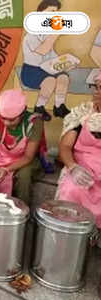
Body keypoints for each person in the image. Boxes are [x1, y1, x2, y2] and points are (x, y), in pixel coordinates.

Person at [56, 73, 101, 235]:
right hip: (82, 167)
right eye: (95, 87)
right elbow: (65, 146)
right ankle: (69, 235)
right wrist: (73, 167)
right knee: (71, 190)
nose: (95, 92)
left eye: (100, 88)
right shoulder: (82, 113)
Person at [21, 0, 71, 121]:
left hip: (48, 68)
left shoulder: (47, 33)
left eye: (56, 12)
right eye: (52, 11)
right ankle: (39, 107)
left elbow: (51, 54)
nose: (54, 15)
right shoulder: (31, 34)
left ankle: (59, 106)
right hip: (32, 70)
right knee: (50, 80)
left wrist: (64, 63)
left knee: (64, 77)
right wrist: (55, 35)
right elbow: (43, 50)